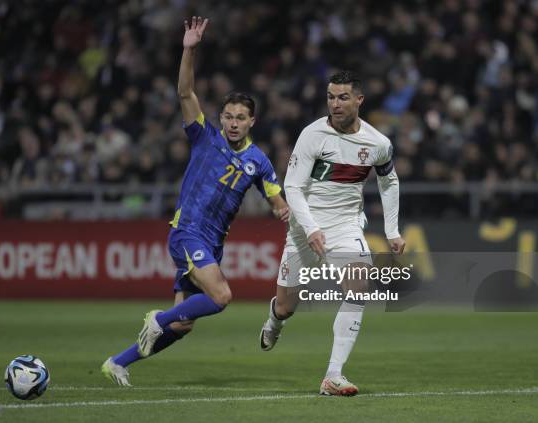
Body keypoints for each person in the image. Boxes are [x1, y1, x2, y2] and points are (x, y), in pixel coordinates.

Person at [102, 16, 289, 386]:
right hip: (188, 232)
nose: (233, 123)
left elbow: (276, 200)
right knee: (221, 296)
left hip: (212, 244)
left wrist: (284, 209)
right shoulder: (206, 137)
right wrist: (188, 49)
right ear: (221, 118)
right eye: (229, 116)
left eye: (241, 118)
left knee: (182, 323)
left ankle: (118, 362)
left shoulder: (260, 162)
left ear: (252, 122)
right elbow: (185, 94)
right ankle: (155, 319)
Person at [259, 71, 405, 396]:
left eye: (342, 97)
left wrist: (392, 230)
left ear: (358, 100)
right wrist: (310, 228)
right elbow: (293, 186)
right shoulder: (312, 135)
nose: (334, 104)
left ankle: (333, 375)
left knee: (359, 283)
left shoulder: (378, 143)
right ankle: (274, 322)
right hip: (303, 226)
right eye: (330, 97)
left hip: (345, 225)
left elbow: (389, 181)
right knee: (286, 306)